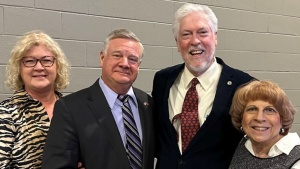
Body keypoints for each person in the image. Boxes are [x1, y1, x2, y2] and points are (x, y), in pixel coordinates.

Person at [152, 3, 255, 169]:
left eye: (202, 32)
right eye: (186, 34)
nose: (195, 41)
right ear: (177, 43)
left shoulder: (244, 85)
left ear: (215, 37)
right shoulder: (162, 80)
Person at [42, 29, 155, 169]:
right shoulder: (70, 108)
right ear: (102, 58)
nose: (125, 63)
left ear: (138, 65)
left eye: (132, 59)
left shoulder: (147, 103)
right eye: (117, 55)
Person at [0, 30, 70, 168]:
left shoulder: (72, 108)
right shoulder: (5, 113)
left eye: (46, 60)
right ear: (19, 68)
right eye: (30, 61)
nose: (39, 67)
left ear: (58, 66)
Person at [229, 80, 300, 169]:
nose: (259, 118)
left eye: (270, 110)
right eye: (252, 109)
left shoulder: (297, 160)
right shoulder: (244, 144)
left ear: (283, 119)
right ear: (241, 116)